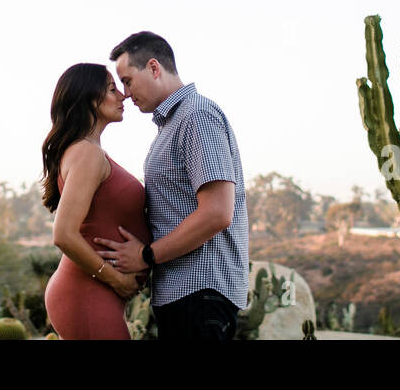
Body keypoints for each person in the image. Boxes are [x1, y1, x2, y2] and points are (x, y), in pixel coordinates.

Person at [94, 32, 249, 340]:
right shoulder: (174, 123)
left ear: (154, 68)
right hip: (184, 295)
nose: (125, 93)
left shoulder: (197, 117)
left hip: (200, 293)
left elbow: (217, 213)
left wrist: (146, 255)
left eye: (127, 80)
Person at [40, 63, 151, 339]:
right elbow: (64, 234)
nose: (123, 96)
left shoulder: (88, 151)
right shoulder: (87, 154)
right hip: (86, 293)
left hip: (94, 293)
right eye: (112, 89)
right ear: (89, 98)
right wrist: (118, 280)